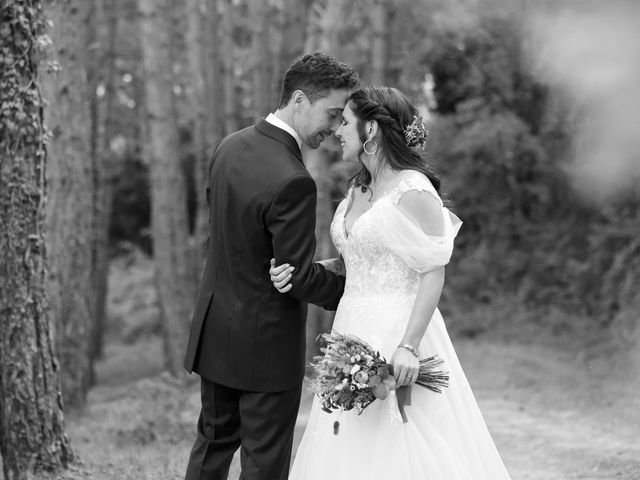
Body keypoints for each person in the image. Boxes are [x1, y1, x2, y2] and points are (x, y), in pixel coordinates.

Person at [269, 86, 512, 479]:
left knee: (405, 439)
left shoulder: (412, 188)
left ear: (372, 130)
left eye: (345, 122)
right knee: (350, 440)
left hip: (399, 328)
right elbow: (358, 260)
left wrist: (408, 347)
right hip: (351, 329)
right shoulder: (357, 189)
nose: (337, 131)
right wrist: (302, 271)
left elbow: (433, 269)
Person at [182, 52, 359, 480]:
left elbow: (235, 242)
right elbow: (295, 275)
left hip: (216, 331)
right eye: (332, 114)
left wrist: (293, 270)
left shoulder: (229, 146)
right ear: (299, 100)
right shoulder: (293, 178)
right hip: (266, 347)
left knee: (212, 447)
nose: (335, 129)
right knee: (264, 463)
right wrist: (358, 286)